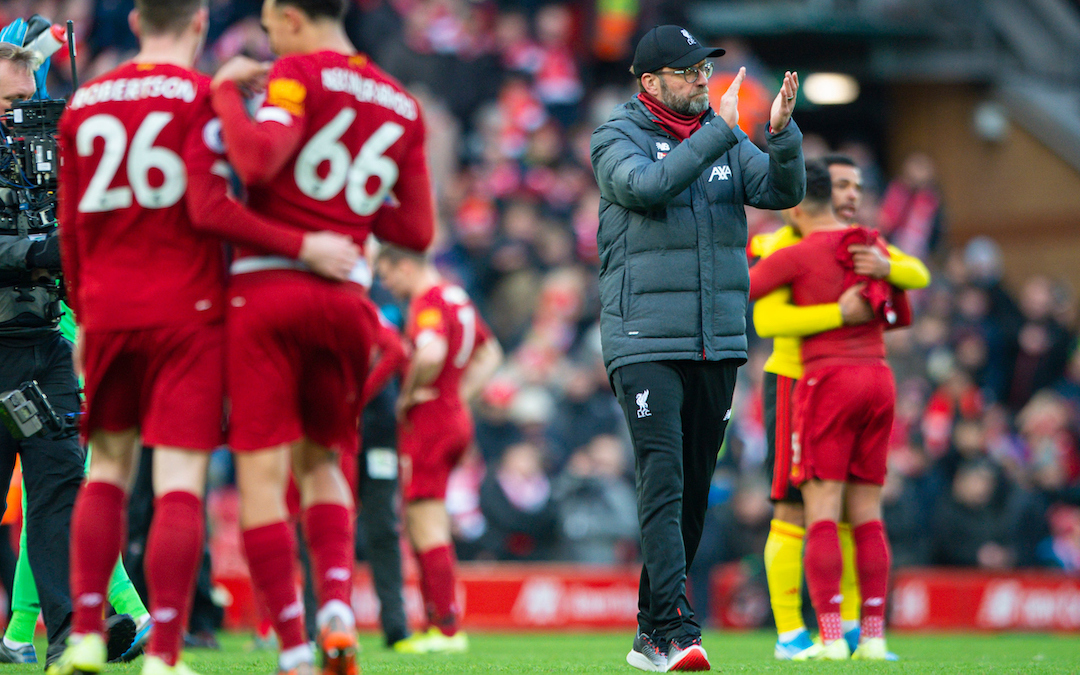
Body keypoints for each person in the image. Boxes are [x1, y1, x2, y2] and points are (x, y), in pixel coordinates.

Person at [52, 1, 357, 673]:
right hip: (186, 313)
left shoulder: (83, 103)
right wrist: (304, 245)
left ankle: (82, 634)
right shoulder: (199, 96)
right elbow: (210, 206)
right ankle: (163, 651)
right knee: (179, 482)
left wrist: (82, 312)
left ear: (135, 23)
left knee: (104, 469)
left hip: (105, 312)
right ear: (198, 24)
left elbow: (69, 226)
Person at [209, 0, 435, 672]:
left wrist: (224, 87)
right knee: (325, 461)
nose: (265, 30)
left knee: (263, 473)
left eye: (269, 18)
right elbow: (416, 232)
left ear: (289, 15)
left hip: (269, 289)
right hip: (347, 299)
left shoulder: (296, 72)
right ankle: (336, 604)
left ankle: (294, 646)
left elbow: (254, 161)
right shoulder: (400, 103)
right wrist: (352, 210)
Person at [589, 24, 804, 672]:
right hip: (644, 337)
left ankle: (650, 634)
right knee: (664, 477)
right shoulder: (614, 136)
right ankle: (680, 631)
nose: (702, 79)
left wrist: (781, 134)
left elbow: (782, 192)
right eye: (687, 72)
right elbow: (648, 188)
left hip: (716, 338)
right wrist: (725, 128)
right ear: (650, 82)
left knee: (692, 490)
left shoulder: (726, 134)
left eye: (705, 70)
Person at [749, 154, 930, 659]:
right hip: (800, 380)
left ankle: (840, 631)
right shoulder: (821, 243)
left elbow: (916, 273)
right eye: (843, 185)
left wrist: (888, 268)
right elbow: (769, 322)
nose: (852, 195)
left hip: (826, 384)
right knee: (801, 510)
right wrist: (843, 310)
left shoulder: (855, 244)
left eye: (857, 186)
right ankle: (799, 633)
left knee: (833, 511)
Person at [0, 39, 141, 669]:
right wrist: (35, 252)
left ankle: (69, 632)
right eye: (13, 90)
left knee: (60, 486)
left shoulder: (47, 155)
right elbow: (34, 247)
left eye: (30, 85)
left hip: (45, 345)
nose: (26, 98)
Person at [374, 244, 502, 654]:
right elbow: (490, 352)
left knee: (424, 518)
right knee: (430, 518)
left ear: (405, 265)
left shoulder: (428, 302)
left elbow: (430, 353)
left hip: (429, 419)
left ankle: (444, 628)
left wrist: (408, 394)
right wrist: (460, 395)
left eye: (389, 274)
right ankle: (440, 623)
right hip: (452, 415)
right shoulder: (456, 295)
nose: (388, 285)